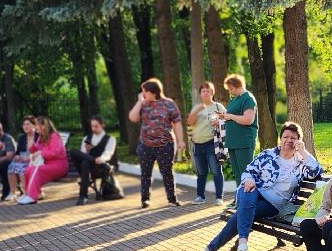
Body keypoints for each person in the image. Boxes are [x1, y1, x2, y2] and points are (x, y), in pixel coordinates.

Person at [198, 122, 322, 251]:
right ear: (280, 139)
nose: (289, 140)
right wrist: (249, 179)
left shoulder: (300, 163)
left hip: (273, 205)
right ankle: (242, 240)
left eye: (293, 138)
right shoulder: (267, 155)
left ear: (299, 141)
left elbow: (316, 171)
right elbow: (248, 172)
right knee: (248, 193)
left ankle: (216, 247)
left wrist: (304, 151)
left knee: (242, 212)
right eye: (286, 136)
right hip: (252, 191)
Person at [128, 79, 186, 207]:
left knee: (167, 172)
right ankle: (145, 199)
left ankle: (172, 199)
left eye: (144, 91)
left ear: (153, 92)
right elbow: (132, 118)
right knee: (145, 173)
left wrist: (181, 140)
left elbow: (177, 123)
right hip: (145, 145)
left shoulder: (168, 104)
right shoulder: (143, 104)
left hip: (165, 144)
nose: (142, 93)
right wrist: (139, 101)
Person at [187, 82, 228, 205]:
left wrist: (220, 122)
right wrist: (197, 110)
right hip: (197, 144)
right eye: (203, 91)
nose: (205, 93)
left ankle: (219, 198)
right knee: (201, 172)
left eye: (208, 91)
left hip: (212, 143)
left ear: (212, 92)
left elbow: (227, 118)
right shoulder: (196, 107)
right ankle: (200, 197)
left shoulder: (217, 106)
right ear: (200, 93)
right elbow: (190, 122)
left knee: (216, 170)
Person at [68, 116, 120, 205]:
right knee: (75, 153)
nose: (93, 129)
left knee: (85, 163)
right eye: (92, 126)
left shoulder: (110, 139)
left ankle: (83, 196)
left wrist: (101, 158)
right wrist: (88, 151)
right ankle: (83, 196)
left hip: (101, 168)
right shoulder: (87, 138)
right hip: (87, 169)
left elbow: (108, 154)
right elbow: (82, 155)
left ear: (102, 125)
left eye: (96, 126)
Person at [21, 116, 67, 204]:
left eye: (37, 125)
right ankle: (30, 193)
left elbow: (55, 152)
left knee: (37, 169)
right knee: (28, 169)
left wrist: (41, 153)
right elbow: (33, 149)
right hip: (47, 165)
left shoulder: (54, 136)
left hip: (58, 166)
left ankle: (32, 197)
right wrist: (31, 139)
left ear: (44, 126)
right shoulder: (41, 137)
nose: (35, 127)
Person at [221, 74, 258, 182]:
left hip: (243, 142)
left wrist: (230, 116)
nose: (230, 92)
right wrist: (224, 116)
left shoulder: (248, 99)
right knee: (237, 173)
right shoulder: (235, 99)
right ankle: (239, 197)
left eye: (231, 89)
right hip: (232, 142)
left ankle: (249, 198)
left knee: (246, 173)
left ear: (238, 85)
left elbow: (248, 120)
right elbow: (233, 116)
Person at [0, 117, 35, 202]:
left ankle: (26, 193)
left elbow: (41, 150)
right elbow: (18, 152)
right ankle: (13, 193)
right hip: (23, 160)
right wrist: (17, 156)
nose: (25, 126)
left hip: (34, 159)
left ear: (34, 125)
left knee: (20, 169)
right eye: (24, 125)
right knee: (11, 167)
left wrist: (29, 157)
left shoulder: (38, 136)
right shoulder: (22, 137)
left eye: (28, 124)